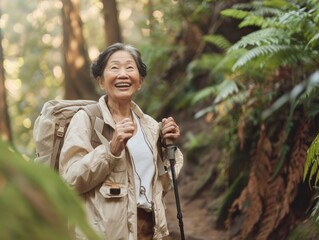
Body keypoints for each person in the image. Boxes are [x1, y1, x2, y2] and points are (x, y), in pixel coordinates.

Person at [59, 43, 183, 240]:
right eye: (114, 68)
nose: (123, 74)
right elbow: (69, 181)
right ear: (101, 81)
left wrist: (168, 147)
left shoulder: (150, 126)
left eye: (130, 67)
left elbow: (163, 186)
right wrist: (111, 150)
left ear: (140, 81)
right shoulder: (86, 120)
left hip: (148, 231)